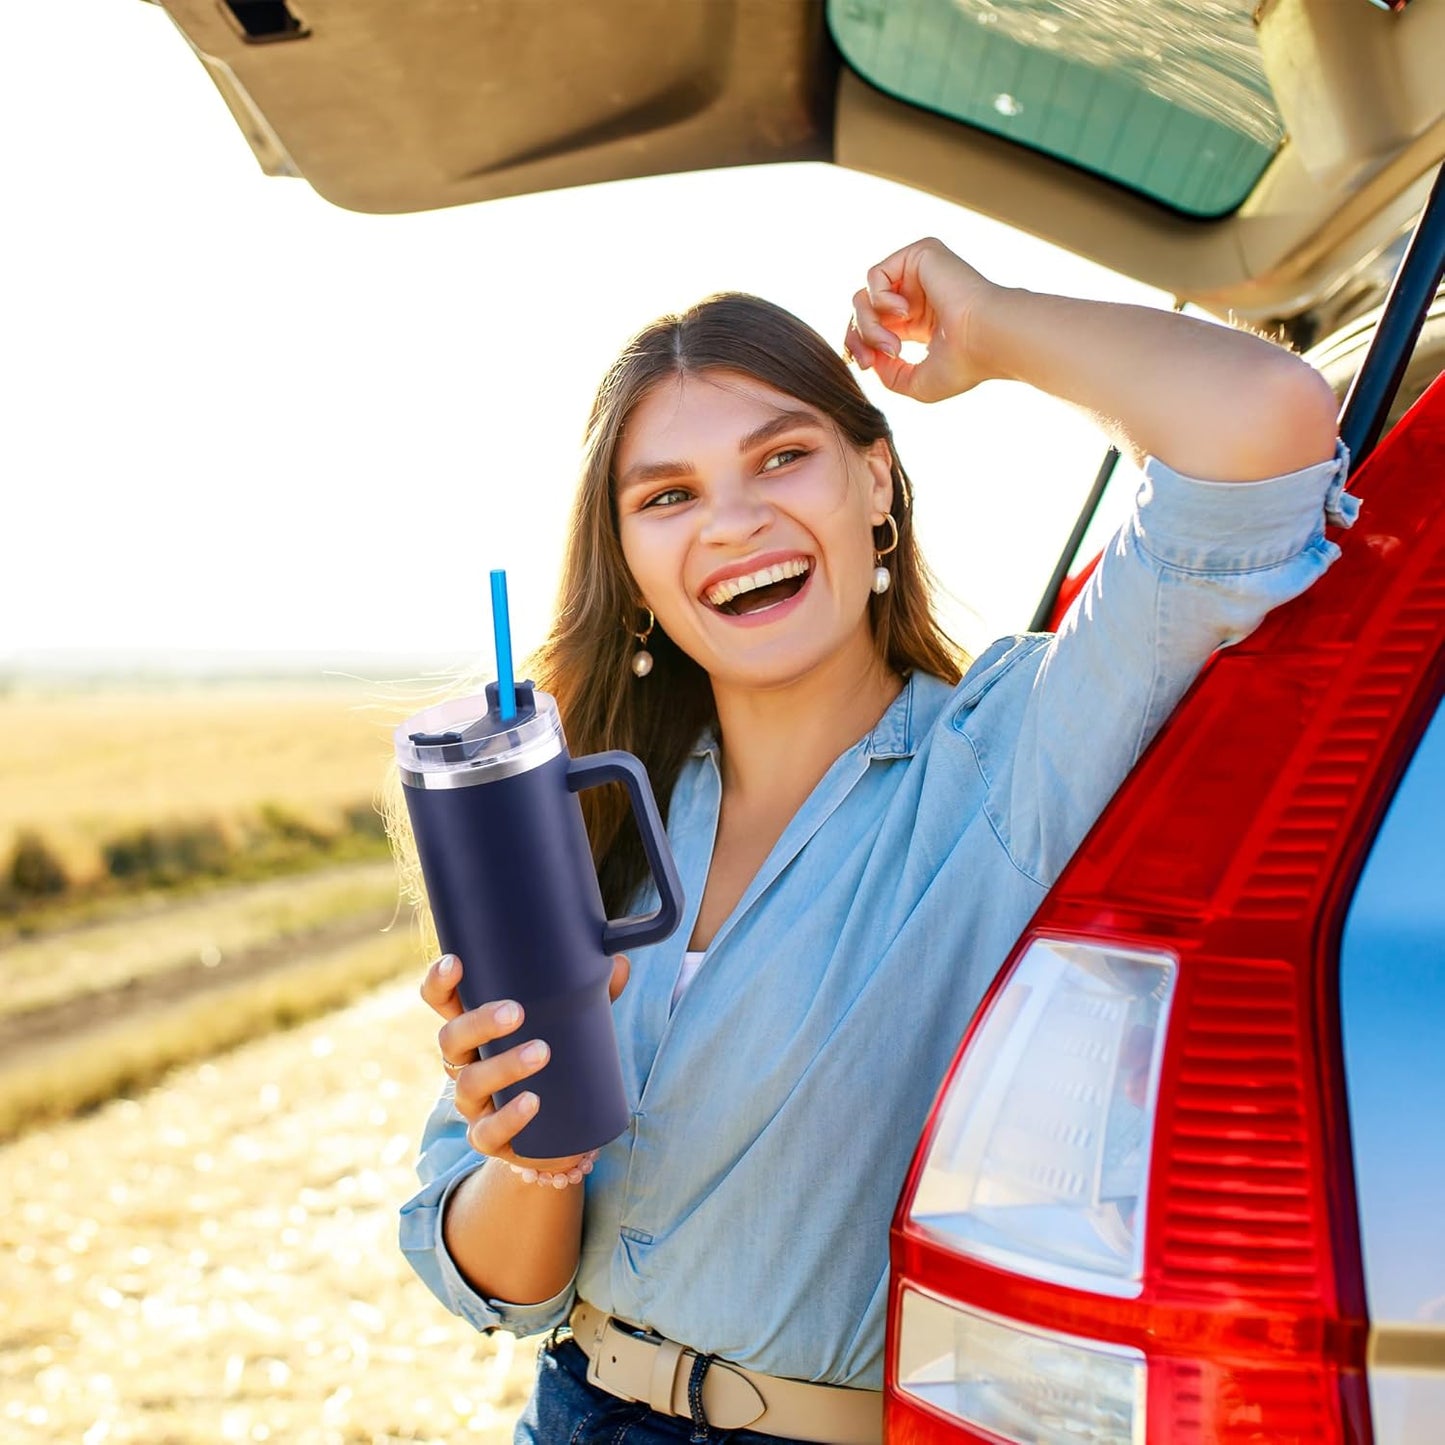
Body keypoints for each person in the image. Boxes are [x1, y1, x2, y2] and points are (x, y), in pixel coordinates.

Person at [398, 237, 1352, 1444]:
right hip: (571, 1411)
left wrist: (991, 325)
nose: (733, 521)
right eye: (668, 496)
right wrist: (534, 1156)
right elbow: (506, 1288)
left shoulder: (1008, 756)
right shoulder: (585, 822)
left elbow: (1263, 422)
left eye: (782, 456)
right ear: (631, 568)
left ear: (875, 483)